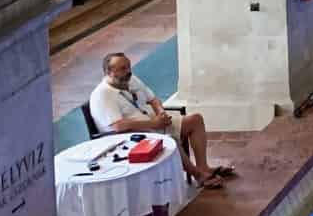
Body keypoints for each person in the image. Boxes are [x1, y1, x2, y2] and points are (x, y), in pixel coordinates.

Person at [90, 52, 234, 190]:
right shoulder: (103, 95)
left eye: (128, 66)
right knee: (169, 140)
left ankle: (203, 167)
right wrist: (153, 124)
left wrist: (161, 113)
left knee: (195, 120)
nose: (128, 71)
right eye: (123, 69)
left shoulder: (130, 79)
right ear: (109, 72)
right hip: (132, 137)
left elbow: (153, 99)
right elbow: (118, 126)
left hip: (154, 123)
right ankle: (199, 176)